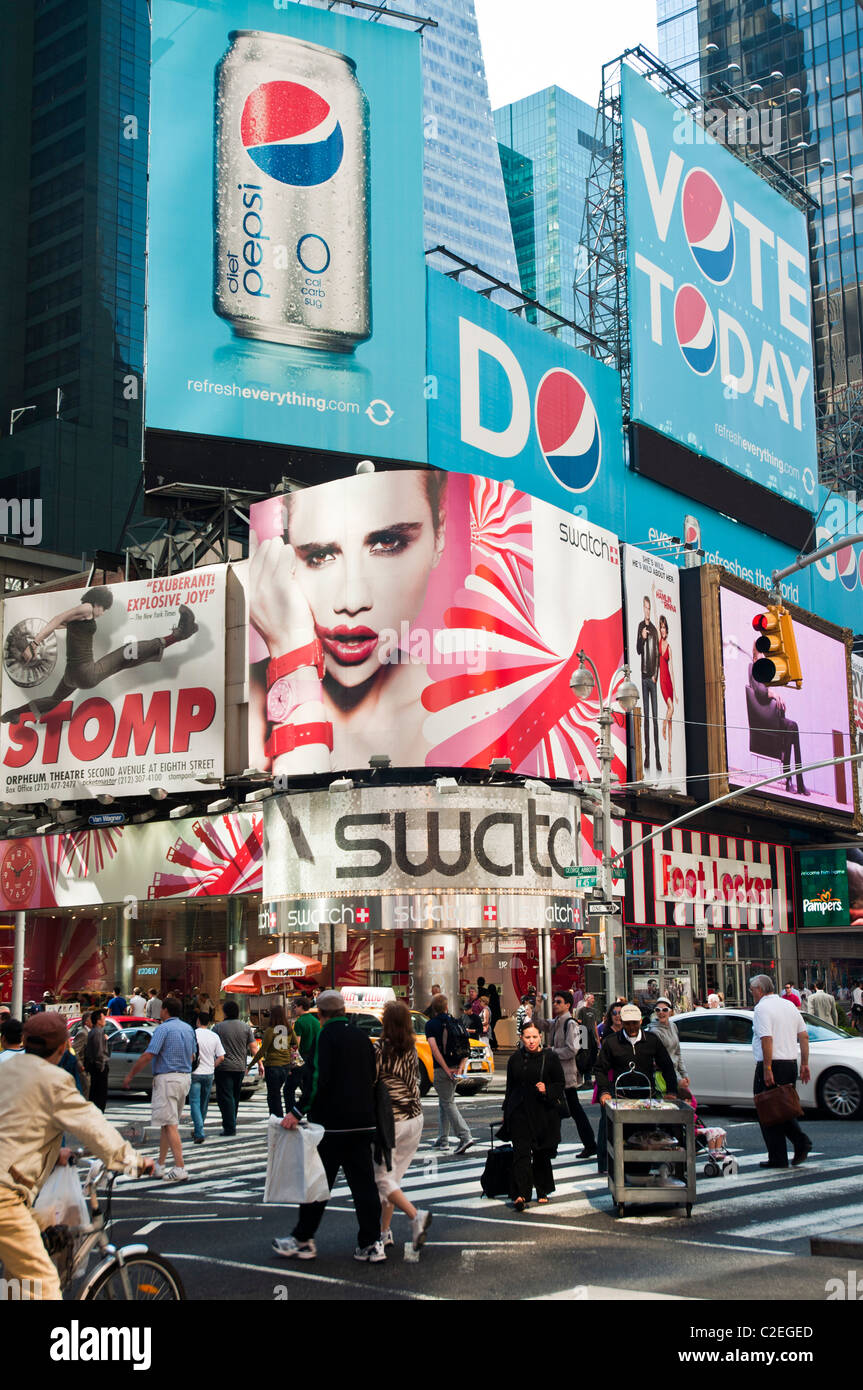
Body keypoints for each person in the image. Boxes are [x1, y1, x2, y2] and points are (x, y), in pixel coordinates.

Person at [248, 470, 448, 775]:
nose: (352, 601)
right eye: (321, 555)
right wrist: (289, 648)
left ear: (439, 537)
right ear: (284, 556)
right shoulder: (244, 708)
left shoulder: (471, 717)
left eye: (387, 542)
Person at [0, 1012, 153, 1300]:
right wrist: (135, 1163)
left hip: (13, 1190)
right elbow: (92, 1127)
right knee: (43, 1283)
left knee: (18, 1279)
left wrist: (55, 1151)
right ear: (62, 1048)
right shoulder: (54, 1080)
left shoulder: (7, 1068)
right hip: (5, 1194)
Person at [272, 990, 384, 1264]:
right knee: (364, 1185)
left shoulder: (326, 1037)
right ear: (344, 1010)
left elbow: (318, 1078)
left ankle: (302, 1239)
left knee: (317, 1183)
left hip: (332, 1125)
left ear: (321, 1014)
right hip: (363, 1122)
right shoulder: (361, 1036)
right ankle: (371, 1242)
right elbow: (373, 1075)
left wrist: (297, 1111)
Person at [2, 587, 199, 726]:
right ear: (98, 603)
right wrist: (34, 643)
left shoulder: (80, 617)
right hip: (86, 673)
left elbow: (62, 623)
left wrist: (44, 634)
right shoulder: (87, 609)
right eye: (104, 609)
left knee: (54, 699)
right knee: (127, 653)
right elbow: (58, 619)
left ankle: (13, 714)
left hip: (71, 676)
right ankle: (179, 634)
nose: (103, 613)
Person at [371, 1000, 431, 1252]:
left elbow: (371, 1081)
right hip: (414, 1118)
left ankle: (415, 1216)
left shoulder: (380, 1049)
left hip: (390, 1120)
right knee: (392, 1179)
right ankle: (384, 1232)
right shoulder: (412, 1047)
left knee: (382, 1179)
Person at [123, 996, 196, 1181]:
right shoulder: (188, 1028)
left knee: (170, 1124)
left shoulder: (162, 1029)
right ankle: (160, 1165)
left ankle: (180, 1167)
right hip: (184, 1077)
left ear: (165, 1010)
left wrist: (131, 1074)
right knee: (168, 1122)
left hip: (166, 1078)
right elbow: (193, 1055)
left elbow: (149, 1054)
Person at [749, 974, 811, 1170]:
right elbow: (804, 1035)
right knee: (782, 1106)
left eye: (752, 990)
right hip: (790, 1062)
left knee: (767, 1109)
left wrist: (767, 1068)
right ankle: (794, 1146)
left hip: (771, 1063)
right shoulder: (789, 1005)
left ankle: (784, 1152)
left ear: (759, 990)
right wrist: (805, 1063)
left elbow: (766, 1038)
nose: (752, 994)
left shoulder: (762, 1008)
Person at [502, 1021, 566, 1211]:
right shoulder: (514, 1059)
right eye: (527, 1037)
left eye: (534, 1037)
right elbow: (510, 1088)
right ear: (521, 1038)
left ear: (540, 1037)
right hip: (519, 1111)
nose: (531, 1041)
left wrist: (547, 1089)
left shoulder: (550, 1057)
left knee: (541, 1152)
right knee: (520, 1152)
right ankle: (521, 1193)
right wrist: (506, 1111)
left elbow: (560, 1083)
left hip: (543, 1110)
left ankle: (542, 1189)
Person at [746, 649, 809, 795]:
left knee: (793, 728)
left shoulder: (761, 674)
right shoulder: (752, 669)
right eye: (762, 658)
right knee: (791, 728)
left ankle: (795, 780)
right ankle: (791, 780)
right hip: (765, 720)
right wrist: (774, 694)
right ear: (755, 658)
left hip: (773, 718)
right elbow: (760, 692)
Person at [547, 990, 596, 1159]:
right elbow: (539, 1023)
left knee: (570, 1110)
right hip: (557, 1075)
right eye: (554, 1001)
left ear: (568, 1005)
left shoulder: (570, 1024)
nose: (555, 1004)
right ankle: (553, 1147)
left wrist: (551, 1052)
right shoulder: (557, 1022)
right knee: (558, 1110)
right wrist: (536, 1006)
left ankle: (589, 1145)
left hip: (567, 1075)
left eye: (558, 1002)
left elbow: (572, 1050)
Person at [425, 993, 473, 1155]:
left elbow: (434, 1049)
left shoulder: (431, 1025)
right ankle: (442, 1138)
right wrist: (459, 1069)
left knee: (447, 1103)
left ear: (434, 1008)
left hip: (442, 1069)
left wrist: (445, 1069)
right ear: (446, 1007)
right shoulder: (456, 1022)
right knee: (444, 1102)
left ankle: (465, 1135)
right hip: (455, 1068)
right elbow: (466, 1047)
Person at [212, 998, 257, 1136]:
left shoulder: (218, 1028)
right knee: (235, 1096)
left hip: (223, 1067)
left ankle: (230, 1127)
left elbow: (213, 1047)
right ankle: (232, 1122)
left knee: (225, 1097)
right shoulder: (245, 1027)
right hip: (240, 1067)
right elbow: (253, 1047)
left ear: (225, 1012)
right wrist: (259, 1063)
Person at [258, 1004, 301, 1118]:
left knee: (273, 1095)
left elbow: (263, 1049)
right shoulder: (289, 1030)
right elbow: (295, 1045)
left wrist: (254, 1063)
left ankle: (277, 1119)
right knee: (278, 1093)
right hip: (285, 1066)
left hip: (272, 1065)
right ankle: (282, 1118)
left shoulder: (270, 1030)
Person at [189, 1011, 225, 1144]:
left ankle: (199, 1131)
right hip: (209, 1073)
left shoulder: (193, 1034)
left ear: (198, 1021)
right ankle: (199, 1128)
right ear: (209, 1022)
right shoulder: (214, 1036)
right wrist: (212, 1066)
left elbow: (191, 1055)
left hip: (195, 1073)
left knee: (194, 1102)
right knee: (204, 1103)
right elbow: (221, 1056)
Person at [636, 594, 661, 772]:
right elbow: (638, 650)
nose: (647, 610)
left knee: (654, 719)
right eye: (644, 607)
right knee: (645, 718)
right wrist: (642, 638)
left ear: (650, 609)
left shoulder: (654, 628)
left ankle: (657, 757)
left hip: (652, 677)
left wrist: (656, 676)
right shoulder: (641, 627)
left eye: (648, 608)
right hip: (643, 676)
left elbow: (658, 656)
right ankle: (647, 757)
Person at [647, 997, 690, 1091]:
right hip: (663, 1076)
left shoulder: (673, 1026)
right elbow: (659, 1061)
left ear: (670, 1012)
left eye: (665, 1010)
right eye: (657, 1010)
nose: (661, 1013)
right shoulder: (654, 1032)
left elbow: (677, 1052)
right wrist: (678, 1079)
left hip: (676, 1074)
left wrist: (684, 1074)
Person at [657, 613, 676, 775]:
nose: (663, 629)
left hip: (668, 680)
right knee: (670, 709)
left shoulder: (669, 647)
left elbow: (672, 670)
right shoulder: (658, 643)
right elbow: (656, 611)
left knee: (672, 720)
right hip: (661, 680)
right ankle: (663, 723)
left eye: (664, 627)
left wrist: (675, 692)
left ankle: (669, 758)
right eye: (661, 627)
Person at [84, 1008, 109, 1112]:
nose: (105, 1020)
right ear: (98, 1021)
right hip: (98, 1068)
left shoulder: (96, 1032)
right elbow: (99, 1052)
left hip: (96, 1067)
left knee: (96, 1095)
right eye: (103, 1018)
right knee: (99, 1096)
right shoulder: (97, 1032)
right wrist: (101, 1066)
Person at [292, 995, 321, 1087]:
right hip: (315, 1056)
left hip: (303, 1057)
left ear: (301, 1006)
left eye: (295, 1007)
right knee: (310, 1084)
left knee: (291, 1086)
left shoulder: (299, 1022)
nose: (294, 1009)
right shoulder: (316, 1021)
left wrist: (292, 1060)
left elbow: (297, 1044)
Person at [486, 983, 502, 1052]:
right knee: (491, 1029)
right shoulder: (496, 995)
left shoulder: (492, 997)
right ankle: (494, 1044)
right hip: (496, 1015)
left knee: (491, 1029)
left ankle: (494, 1044)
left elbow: (492, 1007)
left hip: (492, 1016)